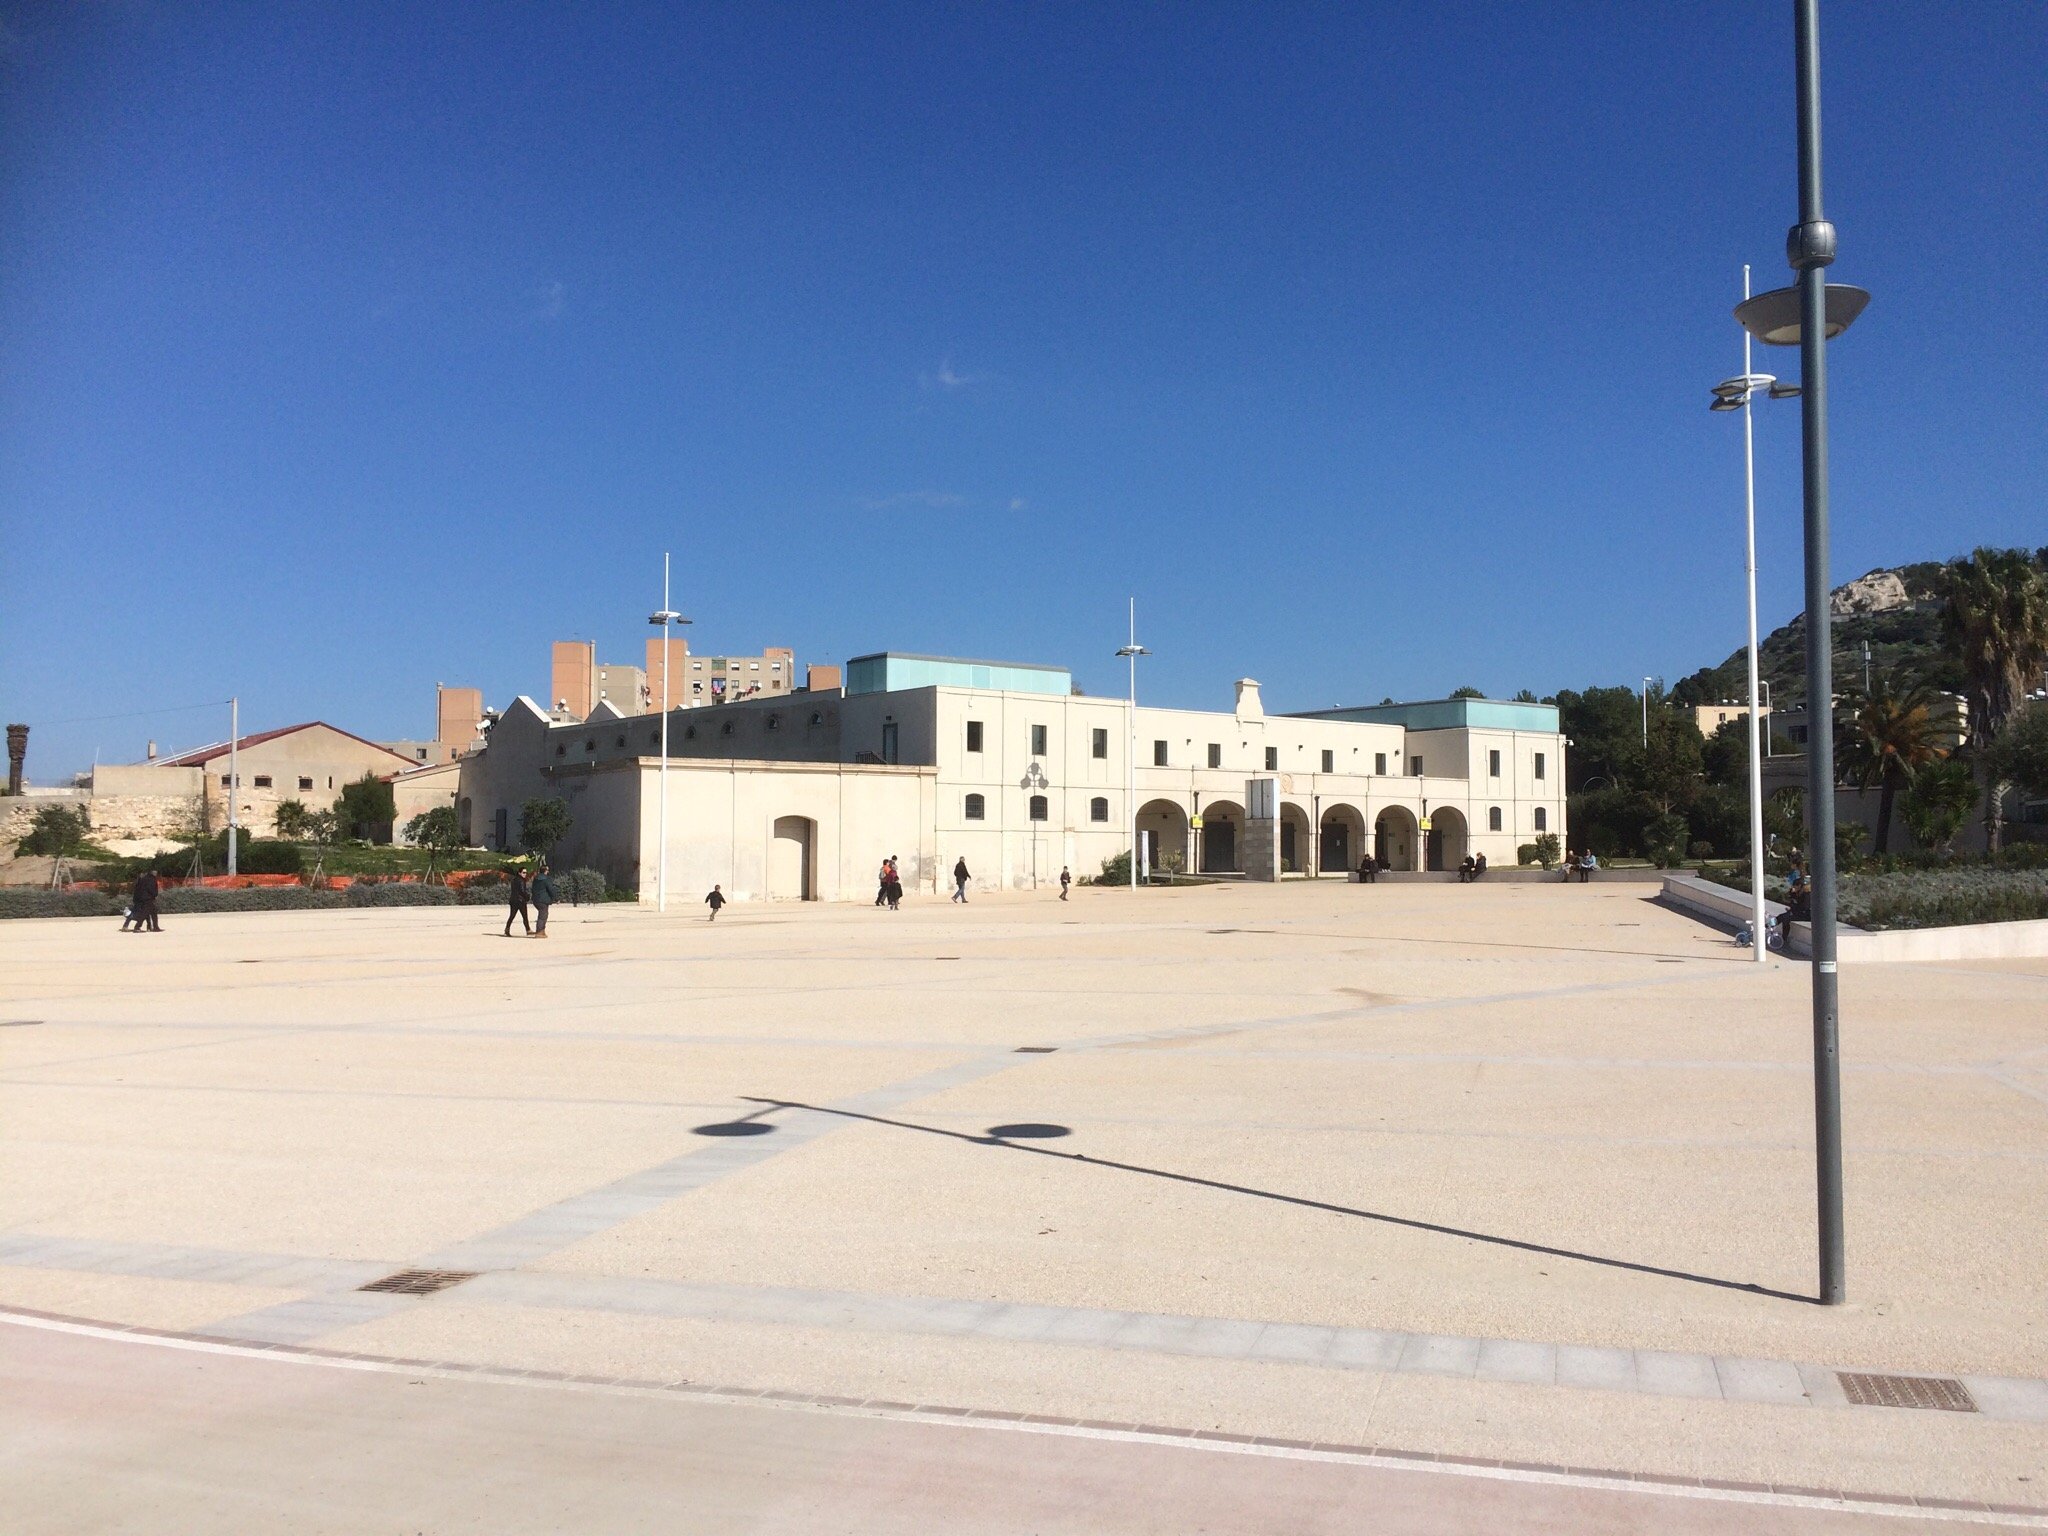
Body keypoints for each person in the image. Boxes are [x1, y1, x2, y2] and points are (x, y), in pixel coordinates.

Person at [130, 868, 161, 933]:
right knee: (145, 913)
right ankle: (137, 927)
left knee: (153, 912)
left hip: (144, 898)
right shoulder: (151, 879)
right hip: (147, 898)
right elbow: (151, 889)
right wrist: (155, 894)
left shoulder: (145, 878)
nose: (156, 872)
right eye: (154, 871)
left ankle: (155, 927)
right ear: (151, 872)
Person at [504, 867, 532, 936]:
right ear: (519, 873)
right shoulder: (521, 880)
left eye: (526, 872)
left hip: (513, 900)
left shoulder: (514, 880)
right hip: (520, 901)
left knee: (512, 916)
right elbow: (522, 891)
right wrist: (527, 896)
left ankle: (507, 929)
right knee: (525, 916)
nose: (525, 874)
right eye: (523, 872)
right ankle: (528, 930)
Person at [530, 867, 557, 938]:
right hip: (543, 900)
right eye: (547, 870)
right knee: (543, 915)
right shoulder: (546, 879)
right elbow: (551, 889)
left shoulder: (535, 879)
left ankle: (541, 931)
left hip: (535, 899)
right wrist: (555, 898)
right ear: (545, 871)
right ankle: (539, 932)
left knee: (542, 914)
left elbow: (533, 889)